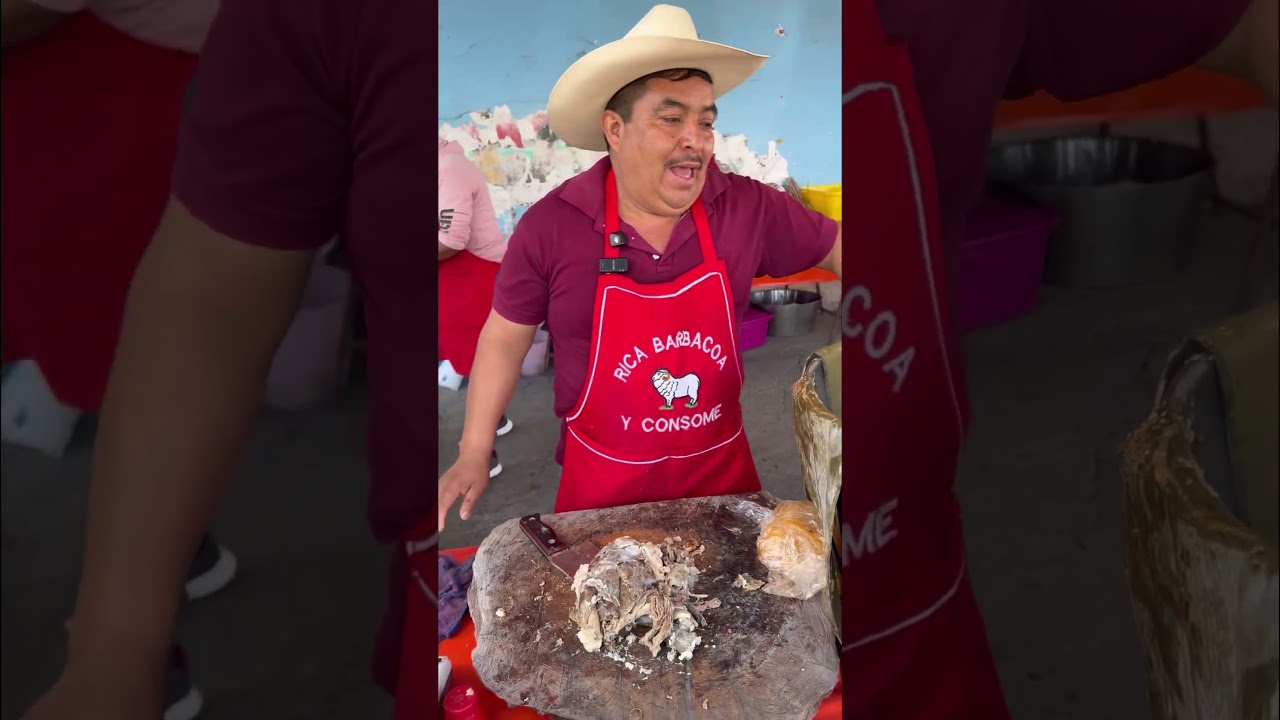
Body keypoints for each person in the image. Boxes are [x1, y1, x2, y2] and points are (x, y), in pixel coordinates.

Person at [22, 0, 1275, 717]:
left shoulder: (756, 199)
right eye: (657, 111)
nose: (686, 135)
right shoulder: (518, 196)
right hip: (517, 653)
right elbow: (209, 289)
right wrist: (115, 649)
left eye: (702, 110)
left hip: (880, 648)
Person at [435, 5, 841, 523]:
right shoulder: (551, 226)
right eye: (671, 119)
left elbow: (839, 247)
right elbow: (505, 336)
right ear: (615, 128)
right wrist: (474, 448)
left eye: (706, 122)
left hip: (720, 481)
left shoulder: (747, 206)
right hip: (602, 487)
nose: (694, 138)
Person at [437, 138, 513, 478]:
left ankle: (484, 458)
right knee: (470, 357)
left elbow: (449, 241)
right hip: (453, 278)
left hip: (470, 276)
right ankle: (497, 420)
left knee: (476, 360)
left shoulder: (450, 169)